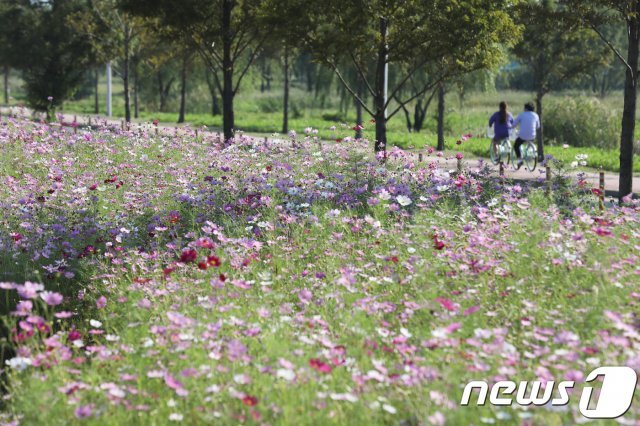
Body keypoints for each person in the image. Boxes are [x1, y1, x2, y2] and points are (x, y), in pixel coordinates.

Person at [512, 102, 541, 169]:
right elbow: (538, 126)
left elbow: (514, 124)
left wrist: (511, 127)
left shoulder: (522, 114)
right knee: (529, 141)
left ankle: (519, 160)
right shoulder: (536, 115)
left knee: (516, 146)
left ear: (526, 108)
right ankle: (530, 153)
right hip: (532, 136)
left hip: (522, 136)